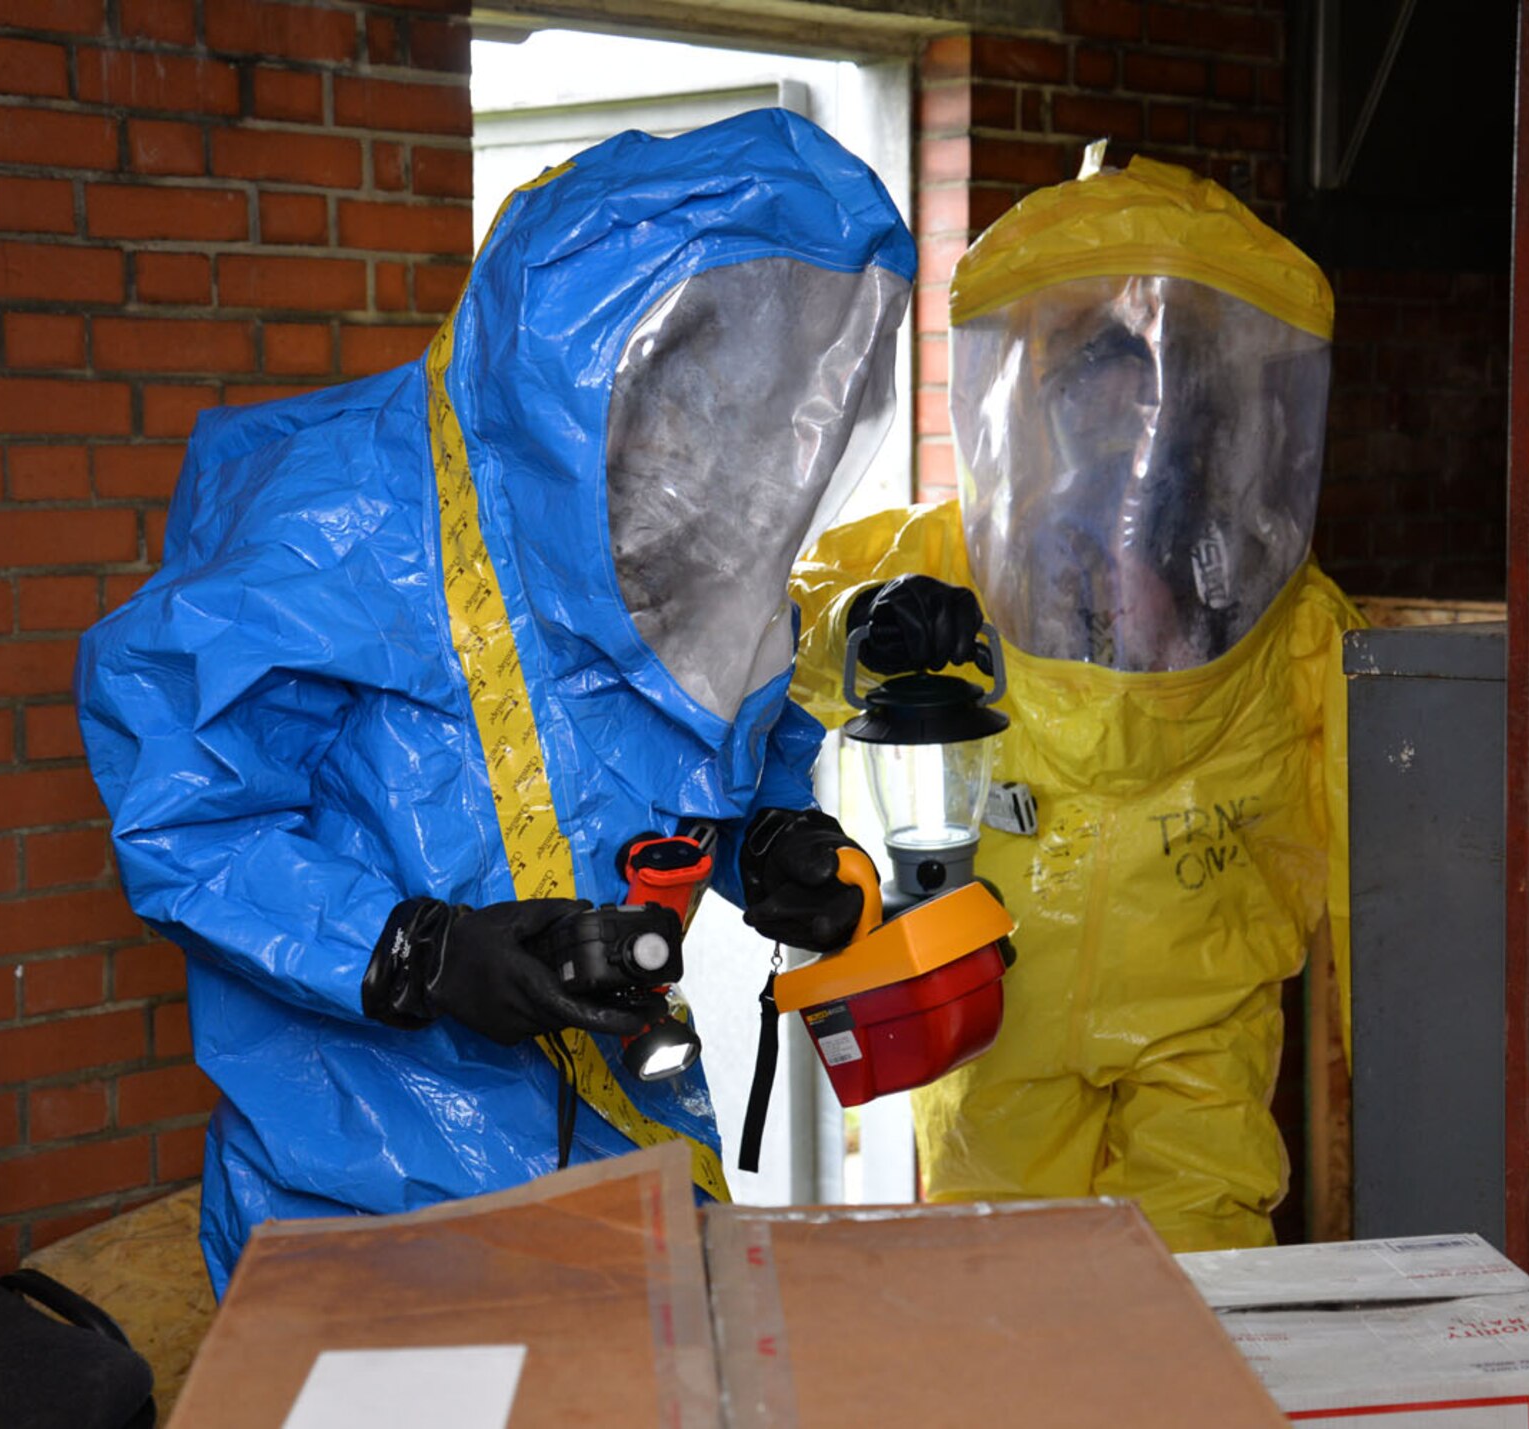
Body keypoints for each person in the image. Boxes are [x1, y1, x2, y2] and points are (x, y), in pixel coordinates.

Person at [75, 111, 907, 1294]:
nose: (729, 430)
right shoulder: (340, 522)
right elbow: (185, 815)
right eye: (700, 380)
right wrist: (417, 951)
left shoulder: (677, 538)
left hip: (629, 1145)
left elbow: (681, 752)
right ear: (594, 357)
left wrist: (766, 843)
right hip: (363, 1182)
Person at [792, 152, 1364, 1251]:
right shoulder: (944, 560)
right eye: (1096, 385)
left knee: (1203, 1277)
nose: (1121, 426)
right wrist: (869, 623)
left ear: (1200, 404)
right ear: (1036, 399)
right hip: (996, 993)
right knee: (1003, 1287)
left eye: (1143, 388)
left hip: (1191, 1004)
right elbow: (787, 633)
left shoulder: (1283, 609)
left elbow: (1370, 840)